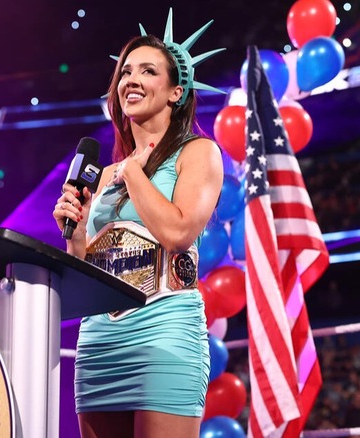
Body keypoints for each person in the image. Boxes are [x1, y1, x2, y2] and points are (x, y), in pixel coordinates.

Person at [52, 8, 224, 438]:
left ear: (175, 92)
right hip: (99, 343)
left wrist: (134, 172)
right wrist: (74, 239)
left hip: (165, 333)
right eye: (126, 71)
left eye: (148, 71)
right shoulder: (105, 175)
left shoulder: (198, 153)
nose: (131, 79)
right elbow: (87, 266)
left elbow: (178, 232)